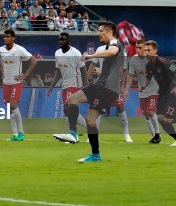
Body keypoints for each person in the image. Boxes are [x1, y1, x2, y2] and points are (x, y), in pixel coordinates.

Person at [55, 22, 127, 162]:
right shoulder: (109, 45)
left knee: (89, 117)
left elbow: (112, 52)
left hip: (107, 88)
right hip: (101, 85)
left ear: (110, 31)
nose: (98, 33)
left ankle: (92, 151)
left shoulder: (114, 42)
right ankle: (75, 135)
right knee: (72, 101)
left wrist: (90, 55)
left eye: (101, 31)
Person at [85, 39, 132, 142]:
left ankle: (126, 135)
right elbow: (93, 64)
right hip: (101, 84)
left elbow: (124, 71)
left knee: (120, 109)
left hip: (115, 85)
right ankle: (93, 136)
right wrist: (88, 79)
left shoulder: (121, 53)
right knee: (96, 109)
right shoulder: (100, 49)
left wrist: (123, 87)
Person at [145, 41, 176, 146]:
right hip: (162, 93)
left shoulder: (163, 61)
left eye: (148, 50)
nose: (146, 52)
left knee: (168, 120)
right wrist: (143, 87)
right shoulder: (148, 65)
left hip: (172, 91)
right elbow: (148, 78)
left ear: (155, 51)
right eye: (145, 50)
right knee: (160, 118)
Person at [0, 29, 37, 141]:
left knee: (13, 105)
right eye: (4, 37)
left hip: (16, 83)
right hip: (6, 83)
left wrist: (24, 75)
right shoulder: (0, 50)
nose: (5, 38)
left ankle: (21, 133)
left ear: (13, 38)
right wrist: (2, 71)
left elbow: (34, 60)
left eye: (8, 37)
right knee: (9, 109)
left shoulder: (19, 49)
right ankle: (15, 135)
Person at [47, 32, 86, 142]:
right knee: (66, 110)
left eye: (63, 40)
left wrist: (86, 86)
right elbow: (59, 71)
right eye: (60, 40)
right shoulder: (57, 53)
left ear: (68, 41)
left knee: (70, 107)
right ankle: (82, 130)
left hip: (75, 83)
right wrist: (52, 87)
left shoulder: (75, 53)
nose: (61, 42)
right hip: (65, 85)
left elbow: (83, 69)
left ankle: (72, 132)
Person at [122, 40, 162, 143]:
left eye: (140, 48)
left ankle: (158, 134)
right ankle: (154, 136)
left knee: (150, 111)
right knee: (145, 114)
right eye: (136, 48)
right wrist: (126, 89)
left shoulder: (153, 59)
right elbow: (130, 75)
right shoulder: (133, 60)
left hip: (154, 89)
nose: (138, 50)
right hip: (142, 91)